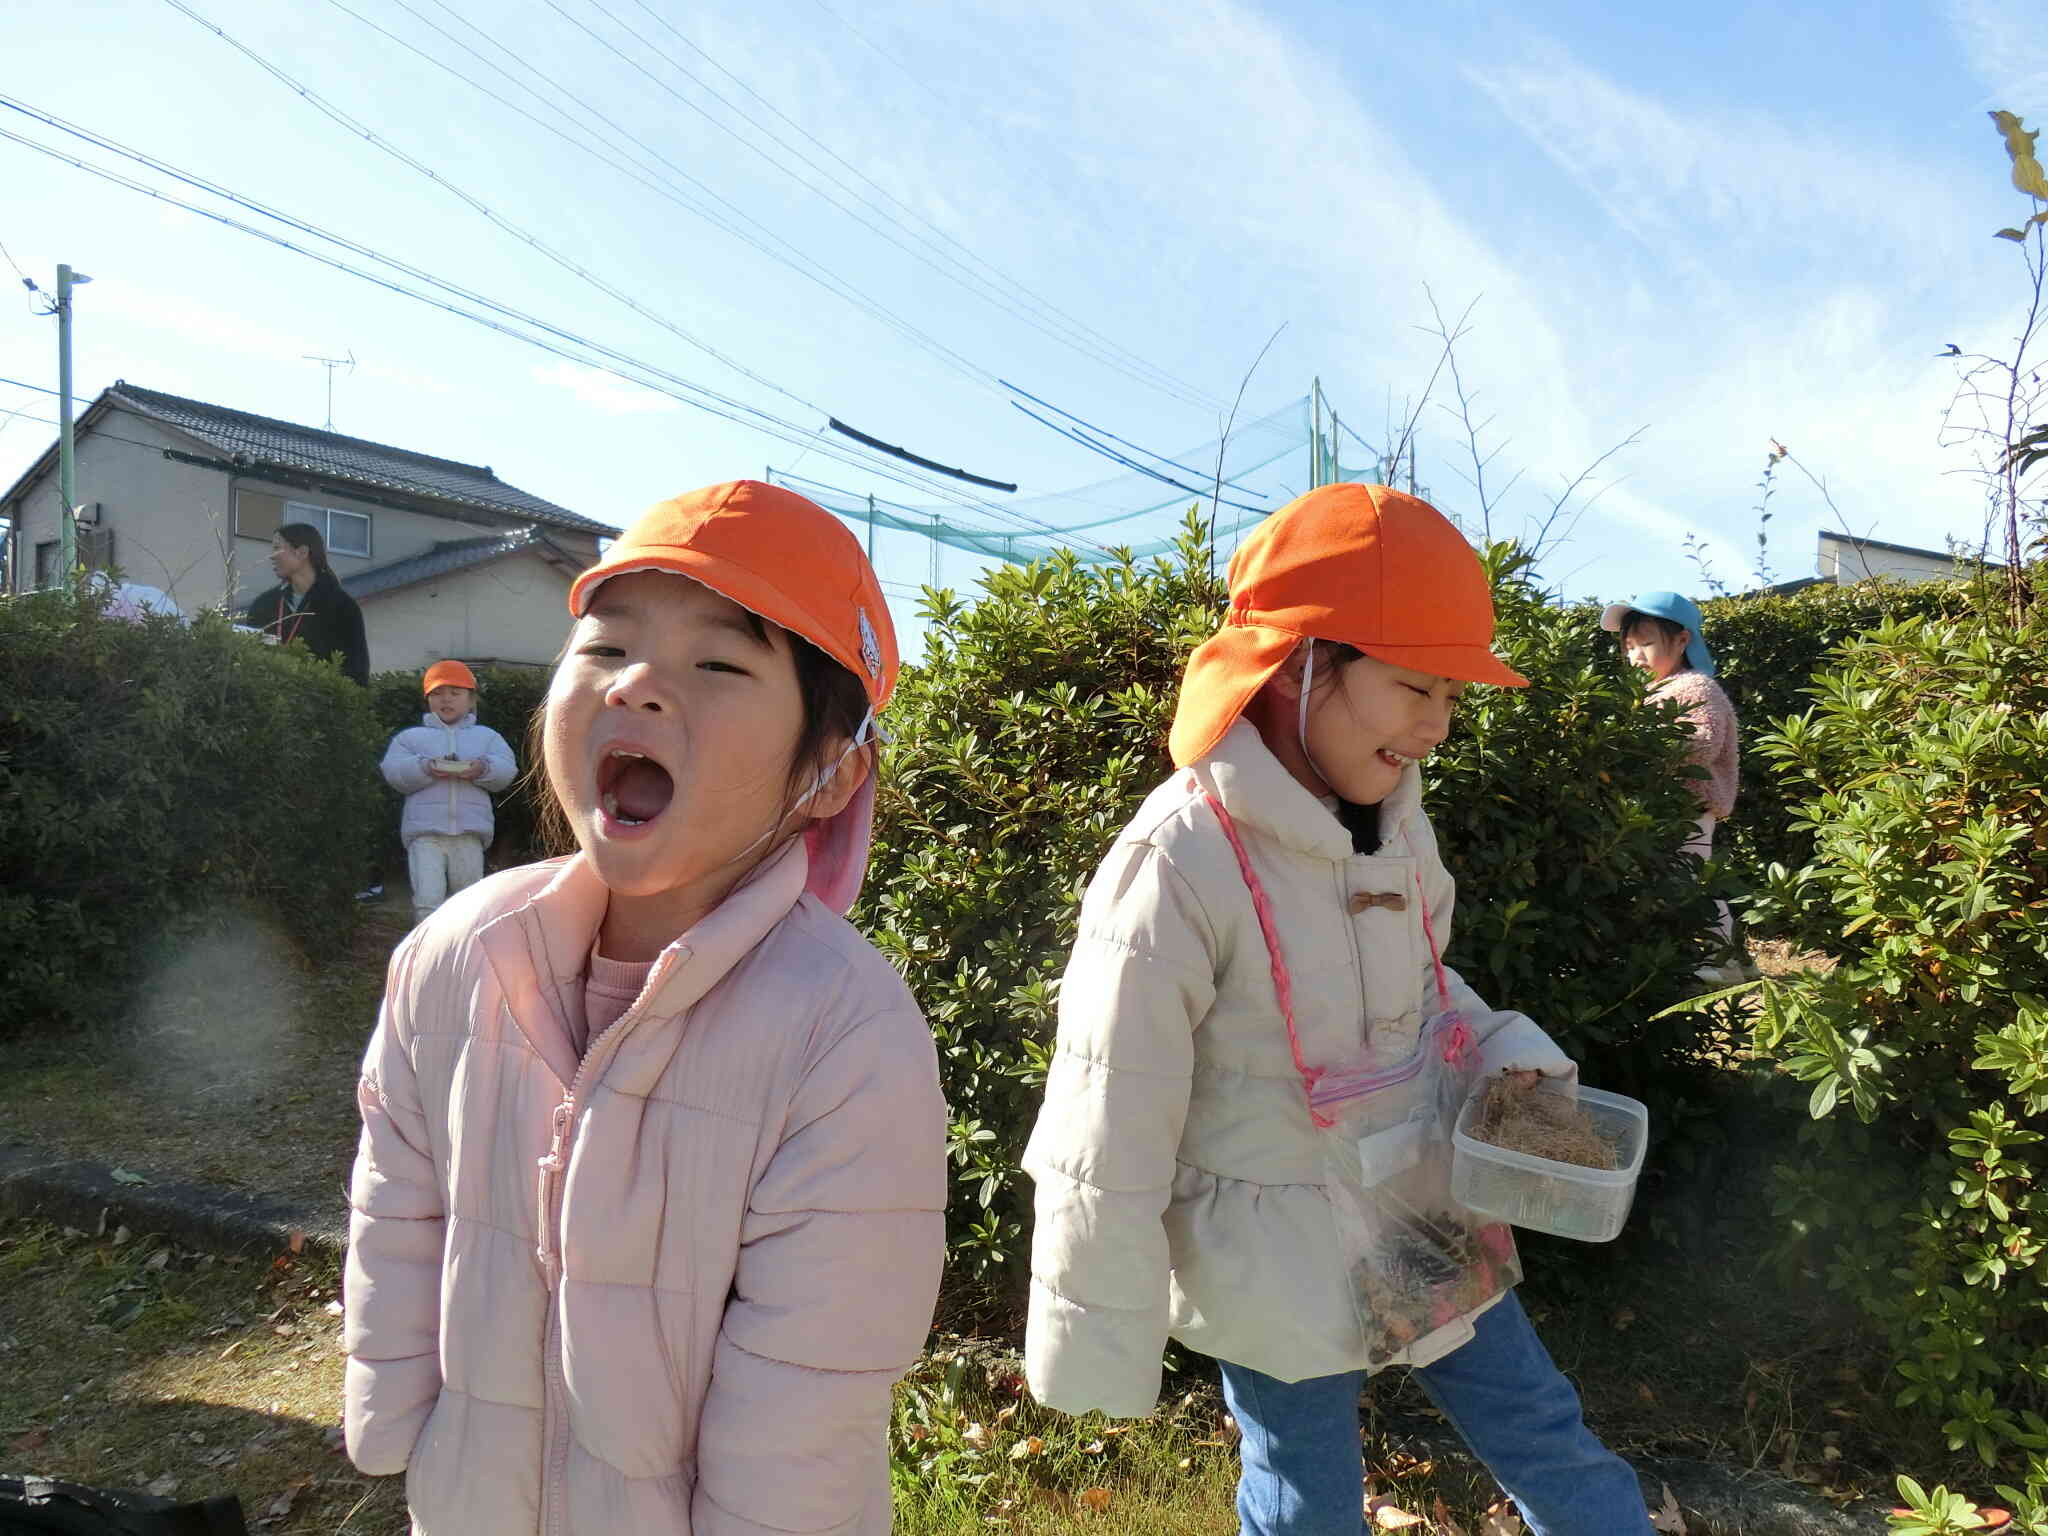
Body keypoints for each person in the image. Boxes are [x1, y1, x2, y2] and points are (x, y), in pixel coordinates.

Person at [1023, 483, 1653, 1536]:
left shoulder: (1397, 832)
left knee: (1541, 1426)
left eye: (1452, 699)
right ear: (1296, 662)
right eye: (1414, 686)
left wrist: (1503, 1053)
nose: (1435, 729)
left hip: (1417, 1208)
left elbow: (1424, 985)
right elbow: (1106, 1111)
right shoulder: (1178, 858)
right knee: (1302, 1489)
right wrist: (1097, 1331)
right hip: (1267, 1251)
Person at [342, 480, 947, 1535]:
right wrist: (394, 1414)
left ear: (826, 774)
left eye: (718, 662)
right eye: (604, 648)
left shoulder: (843, 1033)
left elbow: (806, 1386)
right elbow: (399, 1200)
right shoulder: (455, 954)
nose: (639, 688)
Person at [1599, 591, 1743, 978]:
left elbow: (1700, 745)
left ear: (1682, 641)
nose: (1636, 656)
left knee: (1690, 882)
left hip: (1689, 808)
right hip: (1659, 810)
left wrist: (1642, 748)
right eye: (1629, 646)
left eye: (1646, 643)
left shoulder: (1696, 688)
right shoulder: (1650, 692)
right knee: (1669, 883)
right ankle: (1695, 961)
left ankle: (1719, 966)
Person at [379, 660, 518, 923]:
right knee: (427, 901)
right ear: (428, 699)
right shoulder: (411, 738)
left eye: (455, 693)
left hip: (469, 834)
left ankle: (462, 956)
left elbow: (506, 771)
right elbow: (394, 772)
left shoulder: (487, 737)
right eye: (437, 694)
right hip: (424, 833)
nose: (446, 700)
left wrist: (482, 769)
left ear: (471, 700)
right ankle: (426, 955)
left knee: (467, 903)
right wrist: (425, 767)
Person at [243, 523, 369, 687]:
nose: (272, 556)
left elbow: (357, 673)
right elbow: (248, 659)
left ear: (302, 552)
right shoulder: (263, 605)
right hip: (270, 704)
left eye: (277, 548)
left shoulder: (342, 607)